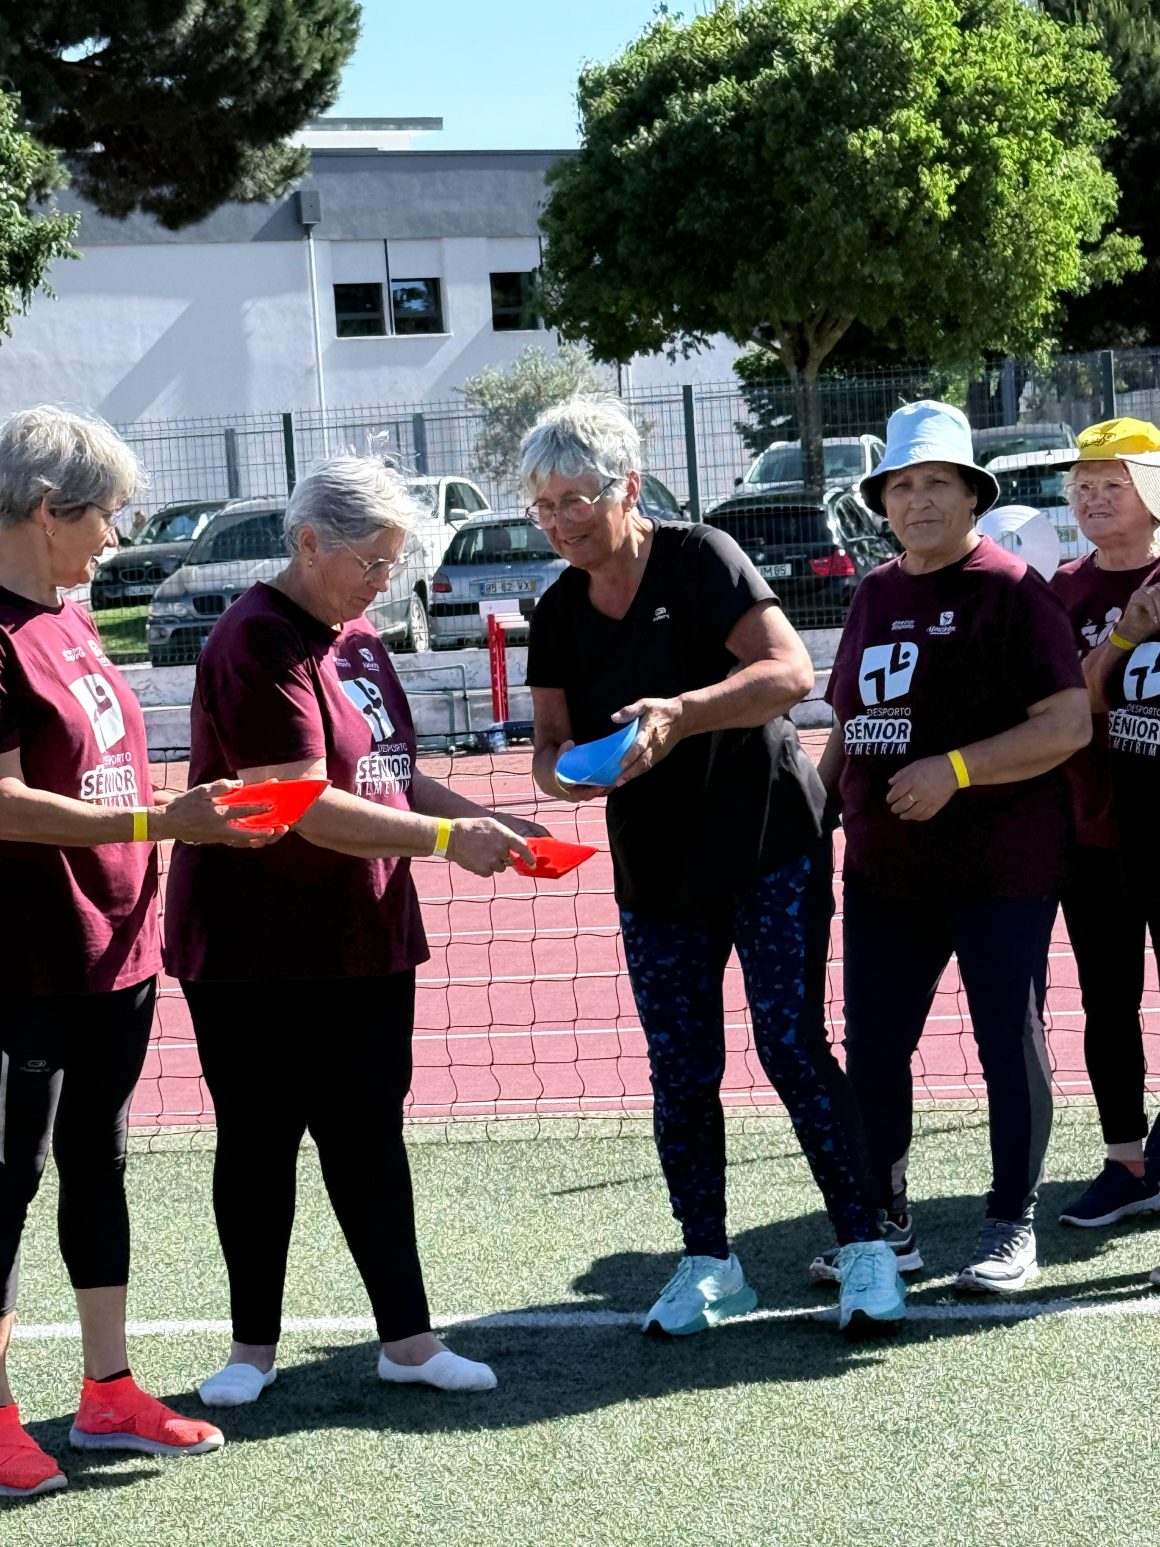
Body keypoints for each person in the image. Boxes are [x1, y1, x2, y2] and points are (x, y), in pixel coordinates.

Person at [164, 454, 547, 1406]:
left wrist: (487, 821)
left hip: (364, 934)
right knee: (260, 1141)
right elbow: (299, 803)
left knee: (369, 1136)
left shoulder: (362, 636)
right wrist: (449, 840)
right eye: (371, 562)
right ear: (308, 543)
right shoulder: (256, 640)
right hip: (254, 947)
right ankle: (250, 1350)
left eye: (393, 563)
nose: (384, 581)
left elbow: (390, 772)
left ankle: (408, 1341)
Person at [524, 395, 907, 1339]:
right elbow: (548, 747)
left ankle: (864, 1246)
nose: (562, 520)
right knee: (681, 1066)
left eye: (577, 498)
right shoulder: (558, 610)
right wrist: (569, 777)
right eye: (544, 504)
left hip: (768, 839)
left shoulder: (702, 557)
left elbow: (790, 674)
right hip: (656, 864)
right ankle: (708, 1262)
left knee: (789, 1043)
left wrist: (681, 712)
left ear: (628, 487)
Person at [0, 406, 285, 1500]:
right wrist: (164, 823)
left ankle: (108, 1389)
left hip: (112, 950)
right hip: (23, 959)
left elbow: (101, 774)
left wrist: (190, 814)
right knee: (7, 1182)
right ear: (46, 508)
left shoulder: (69, 620)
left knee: (99, 1163)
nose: (115, 537)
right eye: (106, 515)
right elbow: (5, 803)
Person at [819, 399, 1091, 1294]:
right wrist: (815, 807)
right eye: (902, 486)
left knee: (1007, 1038)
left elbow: (1068, 723)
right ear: (882, 502)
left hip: (999, 868)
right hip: (885, 872)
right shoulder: (873, 592)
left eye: (938, 482)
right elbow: (851, 721)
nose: (919, 499)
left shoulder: (1013, 591)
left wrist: (957, 770)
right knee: (873, 1046)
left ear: (974, 495)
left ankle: (1011, 1223)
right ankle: (886, 1228)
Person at [1050, 418, 1160, 1238]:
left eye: (1112, 484)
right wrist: (1127, 631)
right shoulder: (1062, 590)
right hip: (1091, 833)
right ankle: (1126, 1162)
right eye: (1082, 485)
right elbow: (1070, 707)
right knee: (1107, 1000)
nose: (1092, 498)